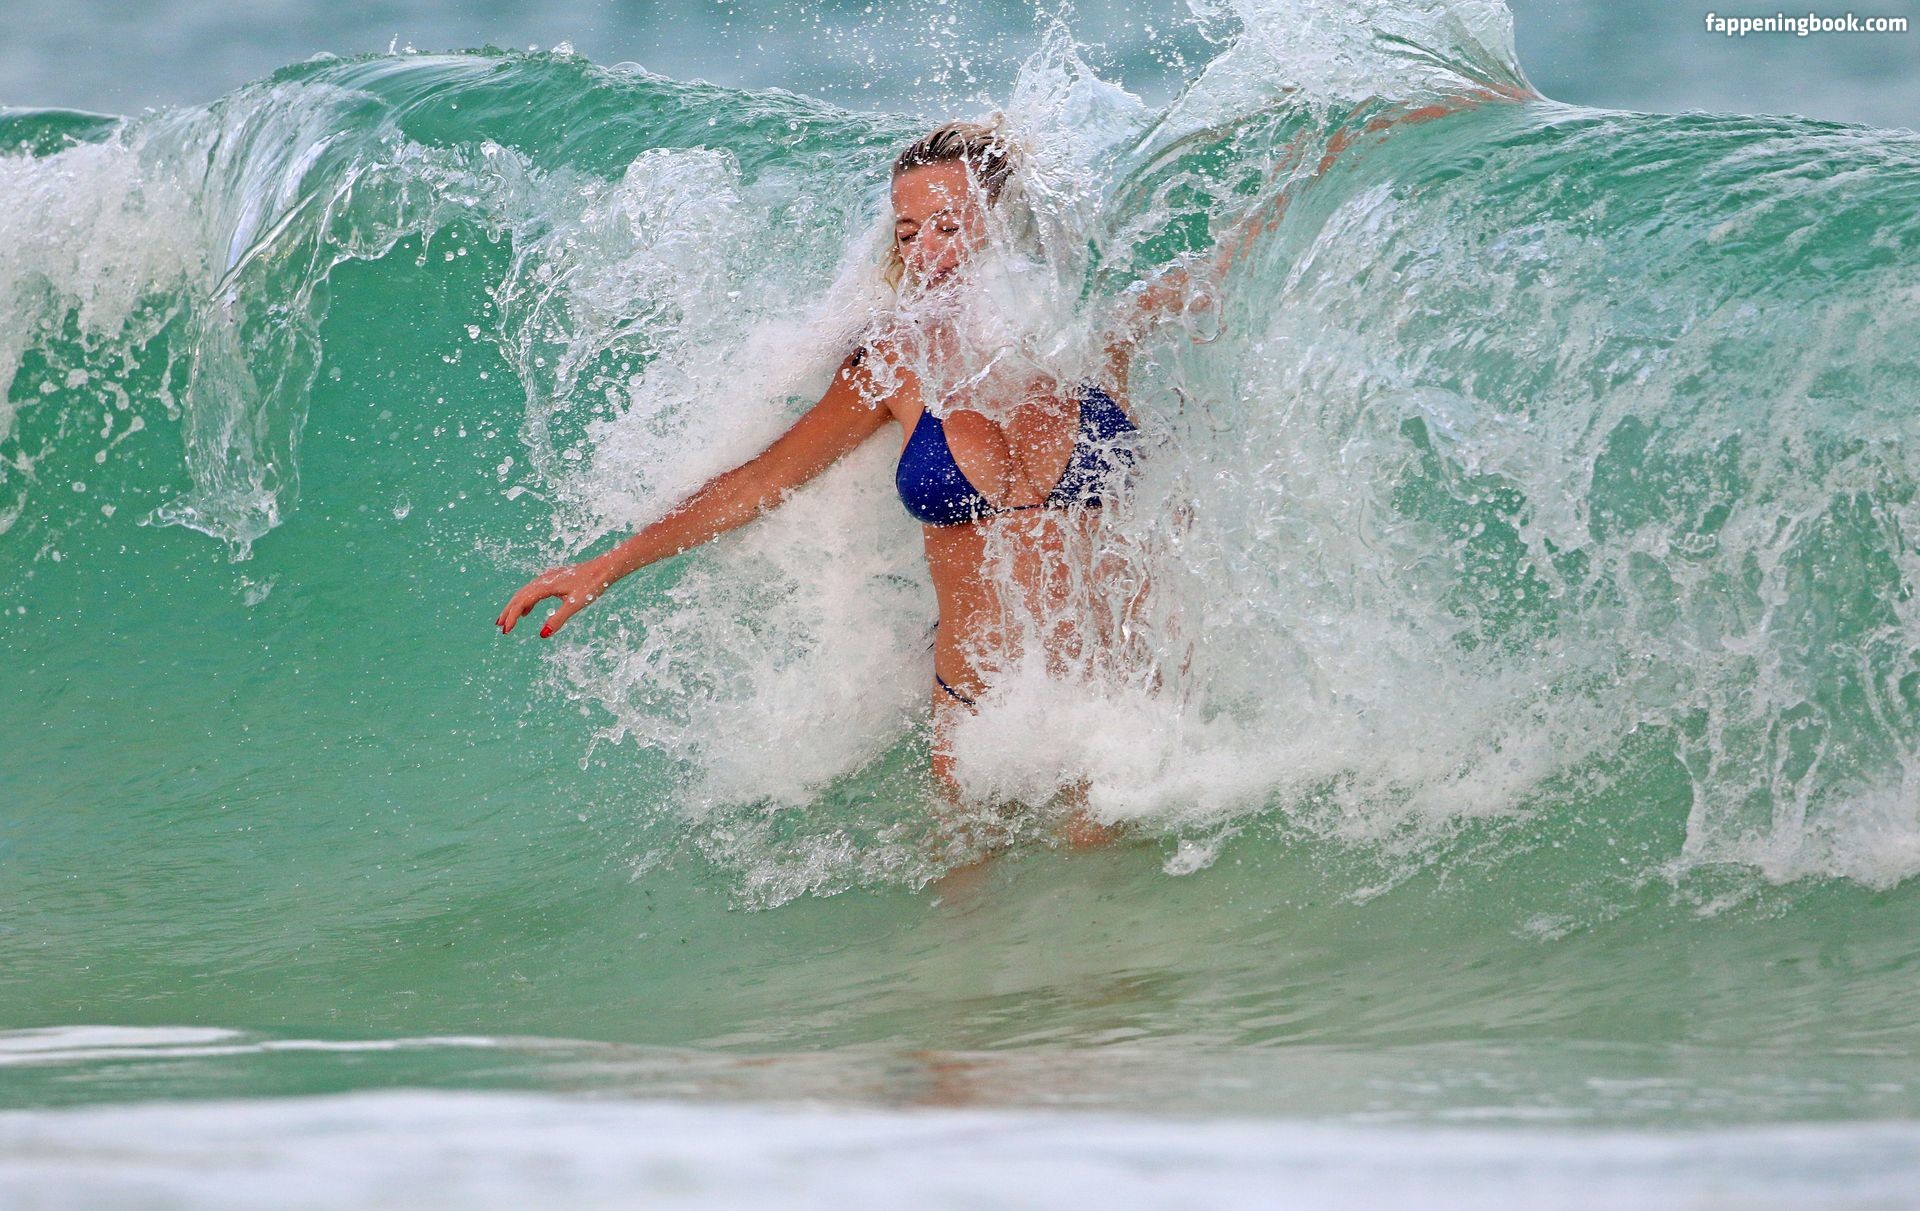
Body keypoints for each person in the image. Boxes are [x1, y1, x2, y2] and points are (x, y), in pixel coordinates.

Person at [497, 93, 1521, 840]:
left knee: (1107, 966)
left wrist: (1372, 131)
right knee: (967, 973)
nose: (927, 249)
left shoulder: (1095, 336)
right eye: (909, 231)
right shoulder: (893, 364)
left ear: (1003, 227)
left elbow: (1238, 255)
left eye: (950, 224)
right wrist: (606, 565)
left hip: (1114, 699)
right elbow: (763, 480)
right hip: (979, 711)